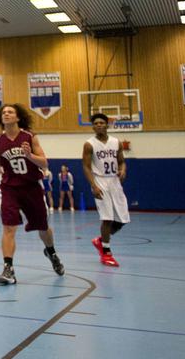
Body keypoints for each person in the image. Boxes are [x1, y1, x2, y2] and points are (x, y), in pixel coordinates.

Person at [0, 104, 64, 285]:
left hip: (31, 187)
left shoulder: (29, 136)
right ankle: (8, 269)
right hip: (9, 188)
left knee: (43, 227)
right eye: (4, 112)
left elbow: (44, 163)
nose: (6, 114)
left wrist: (29, 155)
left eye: (10, 112)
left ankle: (51, 252)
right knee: (8, 228)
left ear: (18, 117)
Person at [82, 113, 129, 267]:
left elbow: (122, 161)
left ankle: (100, 241)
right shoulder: (89, 144)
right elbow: (86, 167)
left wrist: (123, 170)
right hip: (100, 181)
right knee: (107, 218)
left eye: (102, 122)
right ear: (93, 126)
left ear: (107, 125)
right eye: (96, 123)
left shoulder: (116, 142)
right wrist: (94, 185)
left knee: (122, 220)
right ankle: (106, 253)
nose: (99, 125)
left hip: (114, 182)